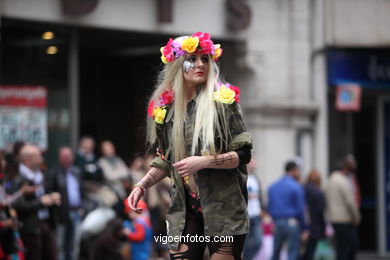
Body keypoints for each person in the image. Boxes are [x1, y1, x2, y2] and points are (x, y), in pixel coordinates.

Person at [127, 32, 252, 259]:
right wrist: (141, 186)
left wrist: (203, 162)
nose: (200, 64)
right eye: (192, 59)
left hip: (223, 209)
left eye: (205, 59)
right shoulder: (166, 111)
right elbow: (166, 160)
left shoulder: (223, 103)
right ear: (177, 65)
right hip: (185, 210)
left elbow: (244, 153)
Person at [11, 144, 60, 260]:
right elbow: (17, 205)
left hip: (45, 223)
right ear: (28, 159)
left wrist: (52, 197)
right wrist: (41, 202)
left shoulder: (41, 175)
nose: (41, 159)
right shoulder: (19, 178)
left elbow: (44, 194)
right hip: (30, 228)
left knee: (51, 254)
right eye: (38, 156)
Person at [46, 146, 84, 260]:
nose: (66, 159)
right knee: (60, 244)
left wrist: (83, 206)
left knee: (74, 244)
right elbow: (49, 191)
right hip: (61, 214)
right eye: (63, 157)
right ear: (60, 158)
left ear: (72, 157)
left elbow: (83, 191)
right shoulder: (54, 173)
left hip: (76, 211)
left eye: (68, 156)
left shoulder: (77, 171)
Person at [267, 161, 308, 260]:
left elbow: (269, 206)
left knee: (276, 252)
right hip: (292, 222)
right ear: (294, 170)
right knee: (292, 252)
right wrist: (304, 227)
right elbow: (300, 209)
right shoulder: (296, 186)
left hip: (277, 223)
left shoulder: (272, 187)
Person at [326, 155, 361, 260]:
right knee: (348, 249)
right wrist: (356, 217)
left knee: (341, 248)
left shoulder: (331, 180)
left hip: (335, 219)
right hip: (345, 220)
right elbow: (350, 202)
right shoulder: (343, 182)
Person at [303, 169, 326, 260]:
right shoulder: (318, 192)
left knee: (305, 252)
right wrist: (323, 228)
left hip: (303, 226)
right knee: (311, 252)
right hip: (315, 227)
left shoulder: (302, 189)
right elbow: (320, 212)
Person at [243, 157, 263, 260]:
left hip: (256, 215)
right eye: (252, 161)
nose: (254, 163)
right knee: (245, 243)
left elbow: (260, 197)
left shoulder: (255, 178)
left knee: (258, 242)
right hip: (246, 216)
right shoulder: (243, 178)